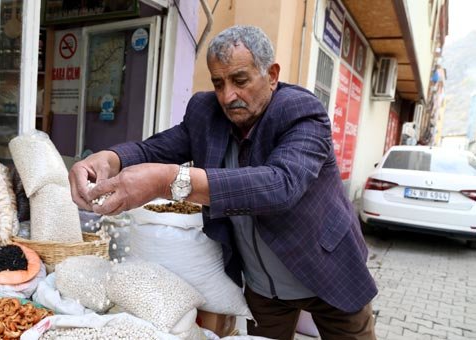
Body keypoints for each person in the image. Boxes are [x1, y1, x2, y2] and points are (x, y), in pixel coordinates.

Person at [69, 25, 378, 340]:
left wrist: (169, 181)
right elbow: (153, 149)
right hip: (265, 287)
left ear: (271, 75)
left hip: (326, 270)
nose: (228, 96)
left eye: (240, 81)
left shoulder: (300, 113)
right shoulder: (206, 112)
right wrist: (109, 159)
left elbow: (280, 185)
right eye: (218, 83)